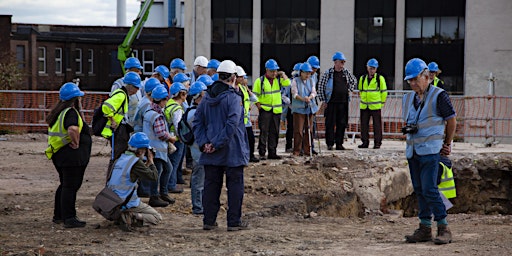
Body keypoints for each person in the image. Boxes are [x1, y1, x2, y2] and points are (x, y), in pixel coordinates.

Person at [402, 58, 456, 245]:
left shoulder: (439, 96)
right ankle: (425, 227)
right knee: (419, 189)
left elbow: (451, 120)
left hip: (431, 151)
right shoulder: (408, 97)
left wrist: (447, 143)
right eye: (409, 80)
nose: (412, 83)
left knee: (430, 189)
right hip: (414, 151)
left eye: (415, 79)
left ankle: (443, 226)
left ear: (426, 77)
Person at [192, 60, 250, 231]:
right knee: (235, 187)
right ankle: (233, 221)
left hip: (210, 151)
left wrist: (205, 144)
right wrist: (216, 144)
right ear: (233, 77)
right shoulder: (233, 98)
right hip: (233, 150)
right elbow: (231, 124)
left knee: (211, 186)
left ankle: (209, 221)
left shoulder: (206, 97)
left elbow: (197, 122)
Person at [45, 82, 92, 228]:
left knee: (65, 185)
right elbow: (72, 129)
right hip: (71, 156)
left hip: (60, 154)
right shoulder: (70, 112)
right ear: (75, 98)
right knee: (70, 186)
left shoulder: (58, 112)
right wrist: (77, 143)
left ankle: (59, 215)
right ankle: (69, 217)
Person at [107, 132, 162, 231]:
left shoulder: (121, 158)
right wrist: (152, 162)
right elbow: (154, 177)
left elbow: (130, 177)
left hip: (112, 199)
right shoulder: (136, 162)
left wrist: (146, 165)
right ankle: (131, 216)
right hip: (126, 201)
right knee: (156, 217)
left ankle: (121, 216)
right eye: (145, 150)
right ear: (140, 150)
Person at [142, 85, 176, 207]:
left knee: (167, 169)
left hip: (155, 149)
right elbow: (161, 133)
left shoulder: (149, 112)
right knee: (158, 172)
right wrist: (171, 138)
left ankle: (163, 193)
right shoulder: (156, 115)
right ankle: (154, 196)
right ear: (162, 100)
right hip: (157, 149)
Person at [317, 51, 357, 150]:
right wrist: (323, 100)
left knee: (342, 123)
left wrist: (349, 89)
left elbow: (353, 81)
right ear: (336, 62)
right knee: (330, 123)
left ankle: (339, 143)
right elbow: (321, 87)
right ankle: (330, 143)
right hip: (331, 102)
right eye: (341, 62)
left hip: (343, 103)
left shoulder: (346, 72)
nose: (343, 64)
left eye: (344, 62)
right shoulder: (328, 73)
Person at [253, 59, 290, 160]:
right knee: (264, 132)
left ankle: (272, 152)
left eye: (275, 71)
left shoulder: (278, 80)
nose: (274, 73)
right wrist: (258, 106)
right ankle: (262, 152)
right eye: (272, 71)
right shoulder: (260, 81)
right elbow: (254, 95)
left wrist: (282, 74)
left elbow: (287, 83)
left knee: (274, 132)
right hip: (265, 110)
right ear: (266, 70)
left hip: (276, 111)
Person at [102, 71, 141, 162]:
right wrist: (112, 120)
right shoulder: (121, 95)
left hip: (120, 129)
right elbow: (106, 106)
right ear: (130, 86)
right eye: (136, 87)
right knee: (117, 157)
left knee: (119, 156)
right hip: (118, 130)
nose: (137, 91)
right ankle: (113, 175)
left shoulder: (123, 95)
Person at [186, 81, 208, 214]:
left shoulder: (193, 111)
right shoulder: (195, 114)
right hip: (198, 152)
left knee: (201, 180)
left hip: (198, 151)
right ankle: (198, 207)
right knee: (199, 180)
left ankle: (200, 205)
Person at [357, 58, 388, 149]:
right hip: (364, 105)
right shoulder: (362, 79)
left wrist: (381, 103)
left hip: (375, 106)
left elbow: (384, 92)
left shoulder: (380, 78)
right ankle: (365, 142)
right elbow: (361, 90)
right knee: (363, 125)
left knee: (377, 126)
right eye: (370, 68)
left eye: (373, 68)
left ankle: (377, 143)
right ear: (367, 68)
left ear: (376, 69)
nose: (372, 70)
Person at [164, 82, 188, 193]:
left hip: (169, 138)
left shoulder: (169, 104)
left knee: (171, 162)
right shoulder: (177, 109)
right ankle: (171, 185)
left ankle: (169, 183)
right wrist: (183, 137)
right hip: (176, 139)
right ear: (182, 94)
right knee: (174, 163)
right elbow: (178, 126)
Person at [290, 63, 318, 157]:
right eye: (305, 73)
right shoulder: (295, 81)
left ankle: (307, 150)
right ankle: (297, 151)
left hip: (309, 109)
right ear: (301, 72)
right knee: (298, 130)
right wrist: (303, 99)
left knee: (309, 130)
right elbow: (294, 93)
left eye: (309, 73)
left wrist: (309, 97)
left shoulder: (311, 81)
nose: (307, 75)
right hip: (298, 110)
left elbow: (314, 92)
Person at [110, 57, 144, 127]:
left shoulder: (138, 82)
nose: (140, 73)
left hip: (134, 124)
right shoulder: (118, 84)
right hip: (123, 124)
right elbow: (113, 105)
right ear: (130, 69)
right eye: (138, 70)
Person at [236, 65, 259, 163]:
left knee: (250, 139)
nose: (243, 79)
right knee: (240, 141)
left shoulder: (243, 88)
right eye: (241, 77)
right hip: (239, 120)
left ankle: (250, 155)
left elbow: (254, 99)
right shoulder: (235, 88)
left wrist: (247, 89)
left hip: (246, 120)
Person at [282, 63, 301, 153]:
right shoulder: (289, 83)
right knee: (291, 128)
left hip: (301, 109)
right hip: (291, 109)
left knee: (300, 129)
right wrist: (288, 101)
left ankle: (299, 146)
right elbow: (283, 95)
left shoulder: (303, 83)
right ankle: (289, 146)